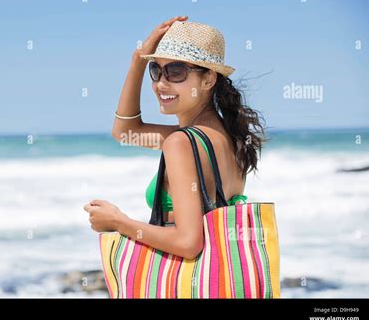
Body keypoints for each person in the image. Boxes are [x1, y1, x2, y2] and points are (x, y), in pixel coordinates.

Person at [83, 16, 266, 260]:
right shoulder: (228, 135)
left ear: (208, 79)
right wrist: (137, 61)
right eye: (156, 70)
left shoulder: (181, 143)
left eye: (176, 72)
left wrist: (118, 221)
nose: (161, 84)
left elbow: (188, 243)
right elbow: (125, 132)